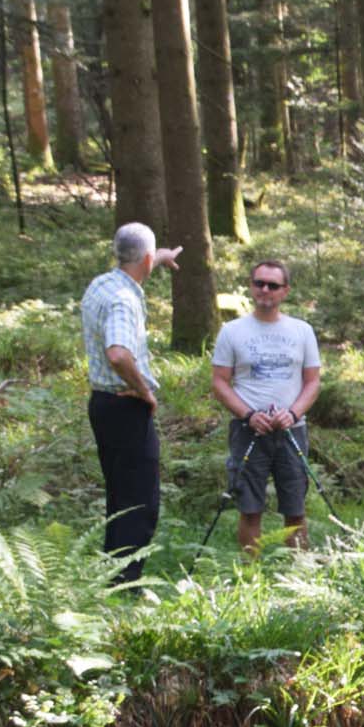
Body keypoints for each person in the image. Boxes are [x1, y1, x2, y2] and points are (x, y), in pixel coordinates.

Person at [81, 222, 181, 584]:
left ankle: (111, 574)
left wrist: (162, 256)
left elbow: (138, 264)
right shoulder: (124, 300)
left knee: (120, 495)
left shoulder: (103, 284)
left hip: (103, 405)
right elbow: (119, 354)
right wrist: (144, 390)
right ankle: (126, 583)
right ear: (148, 259)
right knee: (140, 502)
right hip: (126, 406)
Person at [208, 259, 322, 554]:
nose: (265, 290)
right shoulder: (232, 331)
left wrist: (293, 413)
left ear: (285, 290)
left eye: (273, 285)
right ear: (251, 286)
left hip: (292, 430)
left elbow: (312, 382)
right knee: (250, 507)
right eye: (259, 283)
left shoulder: (302, 331)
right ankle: (250, 578)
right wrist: (248, 414)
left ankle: (300, 576)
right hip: (248, 430)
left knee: (295, 508)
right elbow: (220, 382)